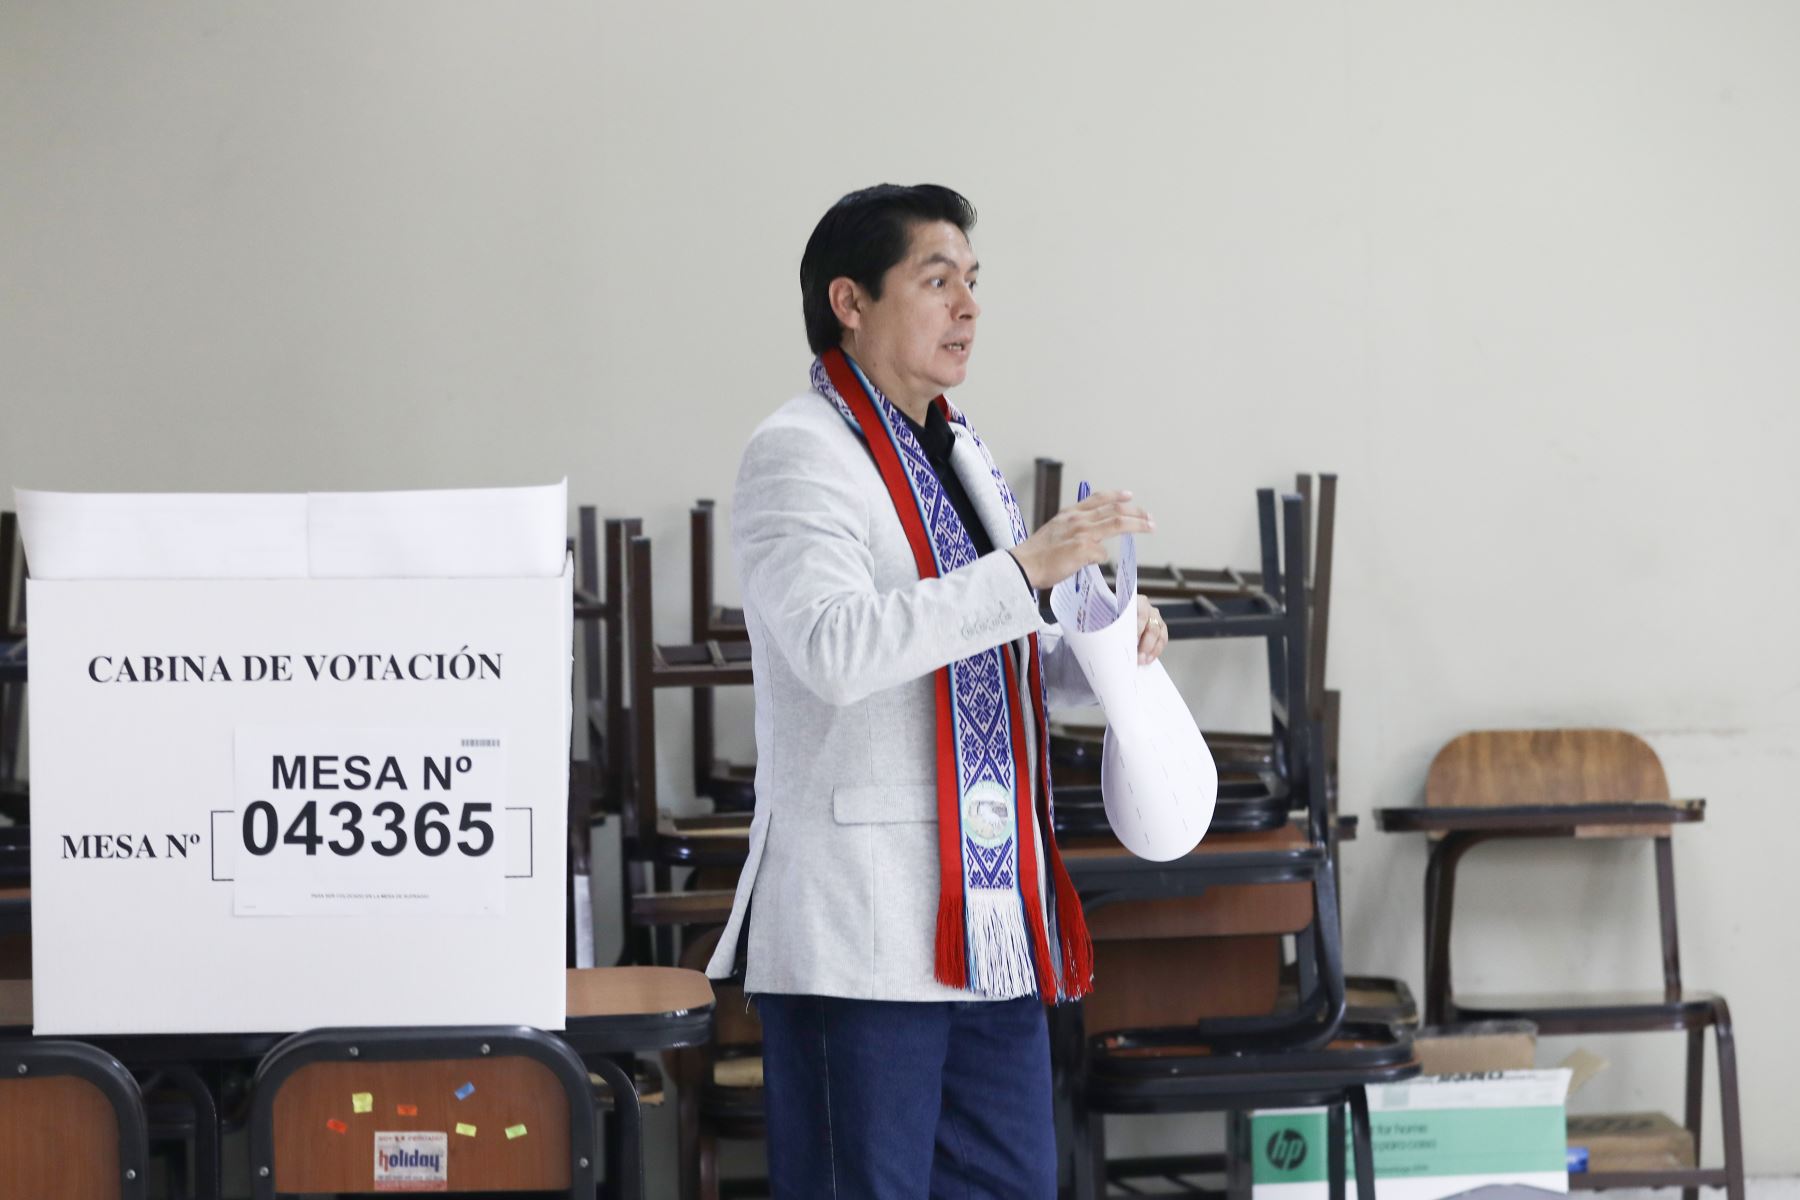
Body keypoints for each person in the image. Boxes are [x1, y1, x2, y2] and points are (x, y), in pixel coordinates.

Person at [707, 183, 1167, 1197]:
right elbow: (833, 648)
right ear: (850, 301)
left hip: (989, 916)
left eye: (973, 280)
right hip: (863, 932)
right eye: (936, 279)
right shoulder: (797, 452)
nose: (968, 305)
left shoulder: (961, 451)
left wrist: (1101, 647)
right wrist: (1026, 570)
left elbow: (996, 651)